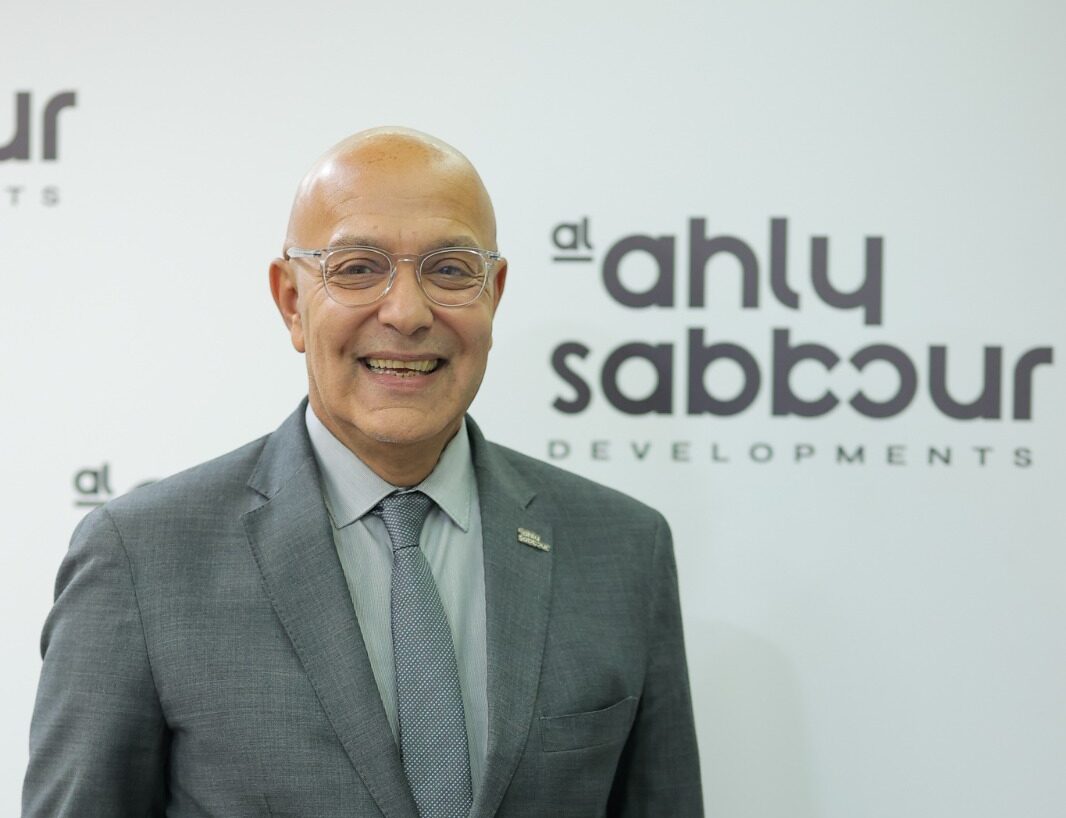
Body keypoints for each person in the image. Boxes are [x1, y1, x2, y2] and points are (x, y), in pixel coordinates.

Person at [23, 128, 703, 817]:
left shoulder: (624, 548)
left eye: (449, 270)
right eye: (357, 268)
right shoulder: (143, 558)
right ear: (292, 301)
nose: (406, 313)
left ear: (493, 294)